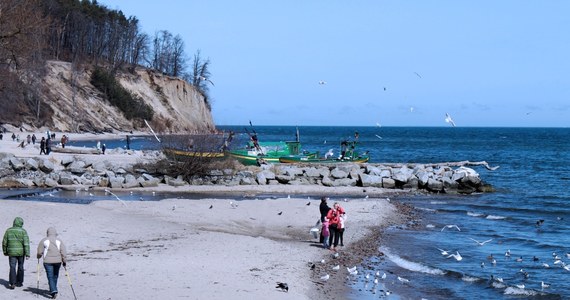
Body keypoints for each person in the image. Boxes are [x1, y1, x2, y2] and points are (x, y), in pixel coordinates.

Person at [37, 227, 67, 299]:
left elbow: (39, 252)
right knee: (55, 275)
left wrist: (38, 256)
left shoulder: (44, 240)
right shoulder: (59, 240)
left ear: (47, 233)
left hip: (47, 261)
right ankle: (54, 289)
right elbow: (63, 252)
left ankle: (53, 290)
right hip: (58, 261)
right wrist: (64, 261)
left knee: (50, 276)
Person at [2, 217, 30, 290]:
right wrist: (27, 254)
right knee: (20, 267)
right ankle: (19, 282)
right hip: (21, 252)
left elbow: (4, 242)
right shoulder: (23, 231)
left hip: (11, 252)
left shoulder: (8, 231)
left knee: (12, 267)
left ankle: (12, 283)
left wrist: (5, 251)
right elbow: (26, 243)